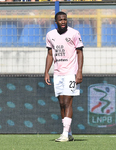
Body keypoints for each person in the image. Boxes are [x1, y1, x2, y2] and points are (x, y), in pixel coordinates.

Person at [44, 11, 84, 142]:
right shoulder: (50, 35)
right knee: (61, 103)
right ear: (56, 22)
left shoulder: (74, 33)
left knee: (67, 102)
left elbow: (79, 52)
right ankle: (69, 133)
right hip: (58, 73)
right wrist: (46, 72)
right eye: (60, 20)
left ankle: (65, 134)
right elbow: (50, 54)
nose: (63, 22)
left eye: (65, 19)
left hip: (71, 73)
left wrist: (79, 72)